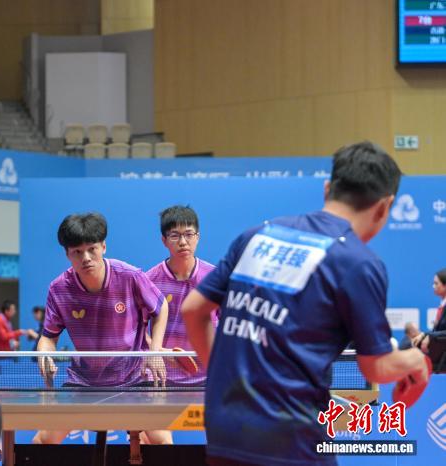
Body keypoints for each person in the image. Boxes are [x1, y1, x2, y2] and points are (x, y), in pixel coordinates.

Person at [182, 142, 431, 466]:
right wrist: (417, 360)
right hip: (292, 441)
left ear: (328, 189)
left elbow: (193, 310)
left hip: (225, 431)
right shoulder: (357, 263)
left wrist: (224, 380)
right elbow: (377, 367)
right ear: (385, 206)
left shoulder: (258, 235)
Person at [33, 212, 171, 445]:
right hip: (84, 381)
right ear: (67, 254)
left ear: (103, 247)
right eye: (77, 252)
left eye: (92, 249)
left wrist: (155, 351)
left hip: (133, 377)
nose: (86, 258)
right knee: (43, 441)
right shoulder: (59, 289)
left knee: (162, 441)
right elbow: (48, 337)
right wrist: (44, 353)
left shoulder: (130, 276)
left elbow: (161, 307)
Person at [146, 205, 215, 386]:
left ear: (198, 237)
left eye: (189, 234)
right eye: (175, 235)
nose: (183, 242)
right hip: (164, 377)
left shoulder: (215, 278)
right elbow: (137, 330)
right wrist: (156, 350)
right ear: (164, 240)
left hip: (211, 376)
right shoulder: (149, 280)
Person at [411, 268, 446, 352]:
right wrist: (425, 336)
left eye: (436, 283)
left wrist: (427, 335)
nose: (433, 286)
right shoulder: (442, 305)